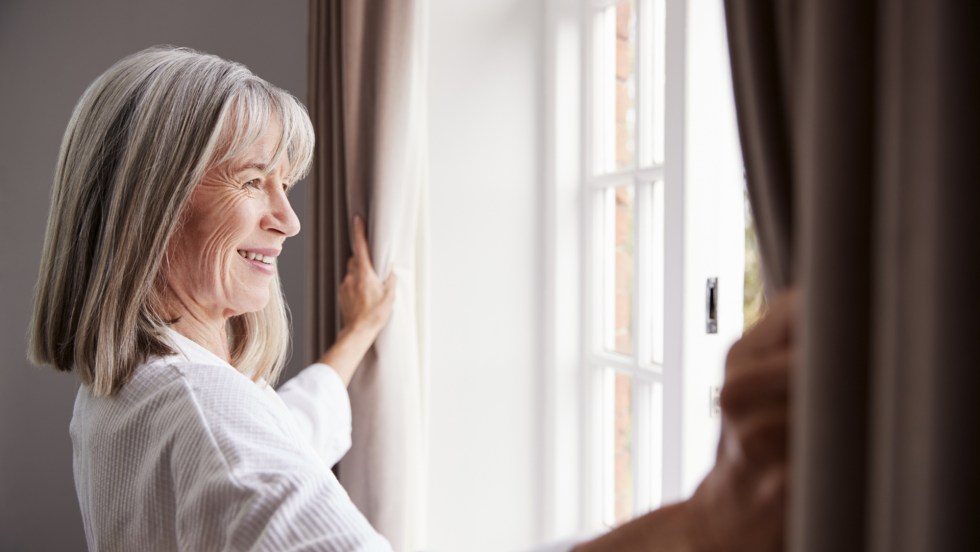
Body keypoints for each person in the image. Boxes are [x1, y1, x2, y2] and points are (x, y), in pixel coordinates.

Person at [29, 46, 791, 552]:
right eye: (251, 179)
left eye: (284, 186)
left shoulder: (129, 390)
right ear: (151, 205)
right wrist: (708, 521)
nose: (288, 219)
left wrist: (358, 333)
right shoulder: (207, 423)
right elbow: (245, 451)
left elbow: (282, 433)